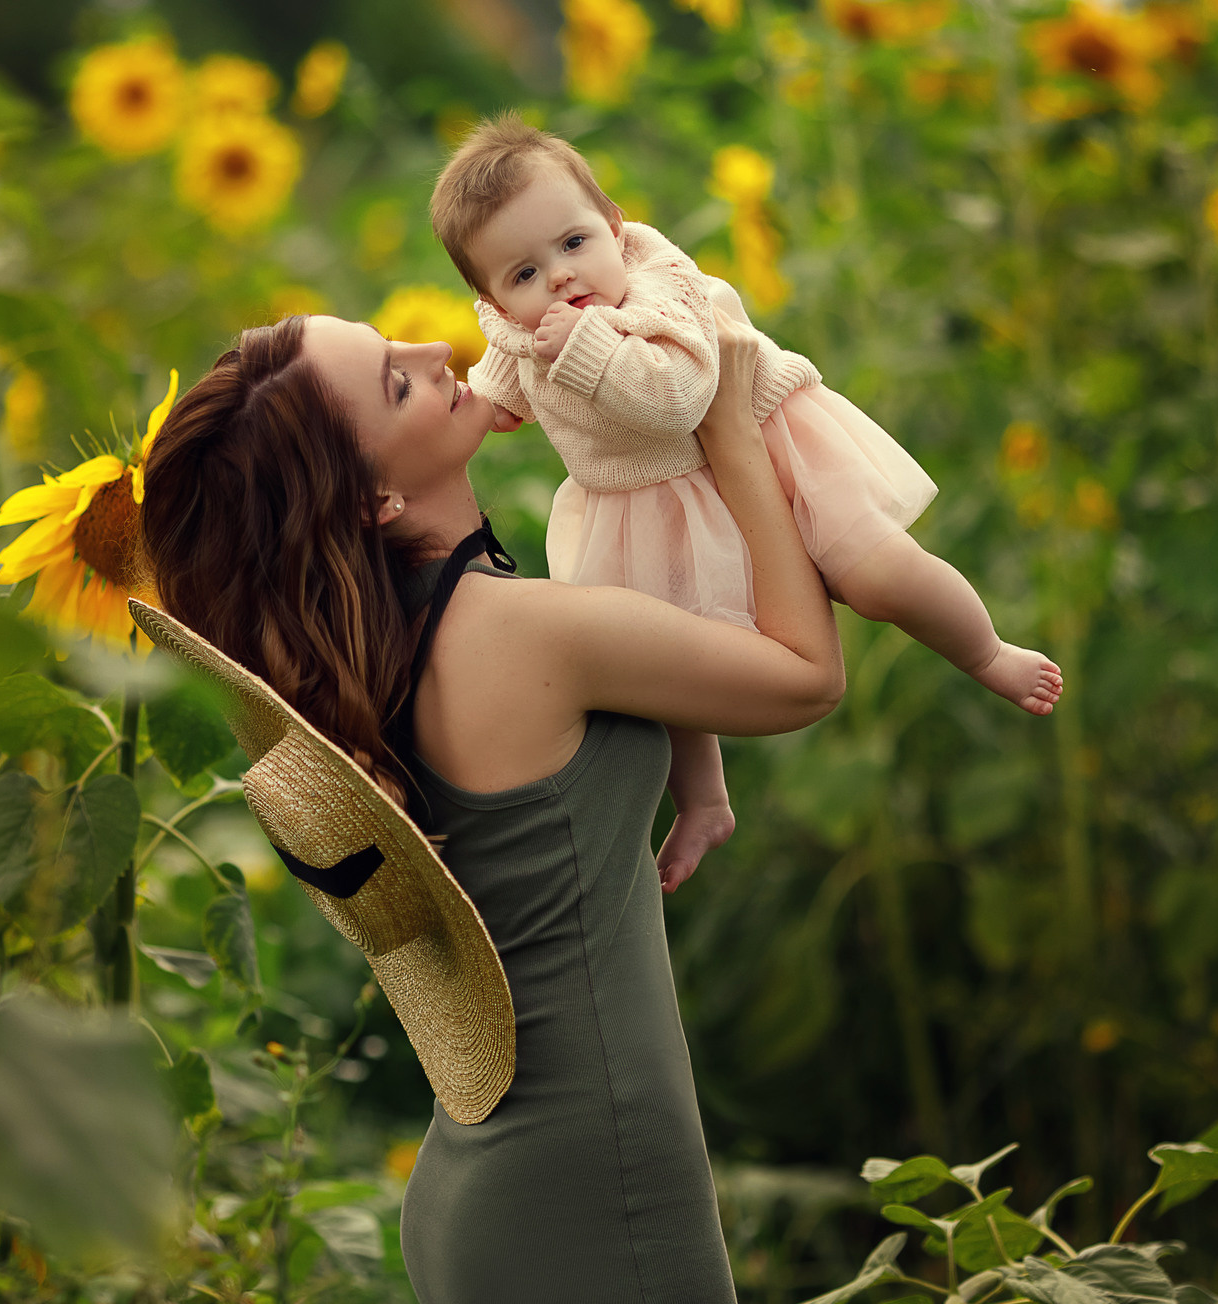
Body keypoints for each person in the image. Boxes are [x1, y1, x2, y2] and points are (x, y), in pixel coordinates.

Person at [140, 310, 847, 1304]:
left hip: (486, 1190)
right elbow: (807, 676)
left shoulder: (383, 657)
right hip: (594, 1199)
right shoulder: (524, 633)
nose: (436, 354)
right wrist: (726, 425)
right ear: (373, 500)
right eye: (396, 384)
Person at [434, 115, 1062, 893]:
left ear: (615, 225)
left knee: (876, 575)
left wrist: (588, 347)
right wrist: (481, 408)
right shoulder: (521, 331)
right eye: (525, 273)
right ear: (492, 299)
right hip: (651, 493)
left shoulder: (663, 288)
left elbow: (679, 398)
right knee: (668, 654)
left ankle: (986, 651)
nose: (560, 277)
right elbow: (499, 389)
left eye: (573, 242)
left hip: (770, 445)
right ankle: (705, 800)